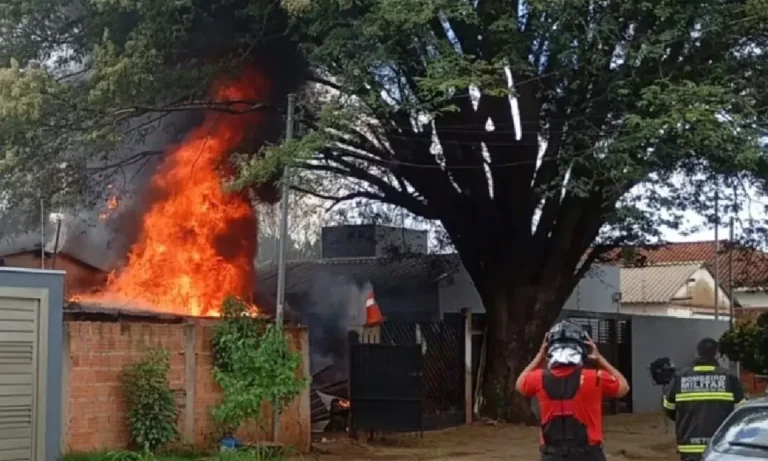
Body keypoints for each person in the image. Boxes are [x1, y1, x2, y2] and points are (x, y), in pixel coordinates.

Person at [516, 320, 631, 461]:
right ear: (583, 348)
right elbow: (623, 387)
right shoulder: (595, 377)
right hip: (588, 454)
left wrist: (540, 357)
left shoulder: (537, 378)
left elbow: (519, 384)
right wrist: (599, 359)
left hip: (553, 455)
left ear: (550, 349)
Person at [663, 337, 746, 460]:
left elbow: (669, 409)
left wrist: (685, 419)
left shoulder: (679, 378)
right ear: (717, 355)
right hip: (719, 447)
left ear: (696, 354)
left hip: (689, 447)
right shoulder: (730, 378)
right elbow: (740, 412)